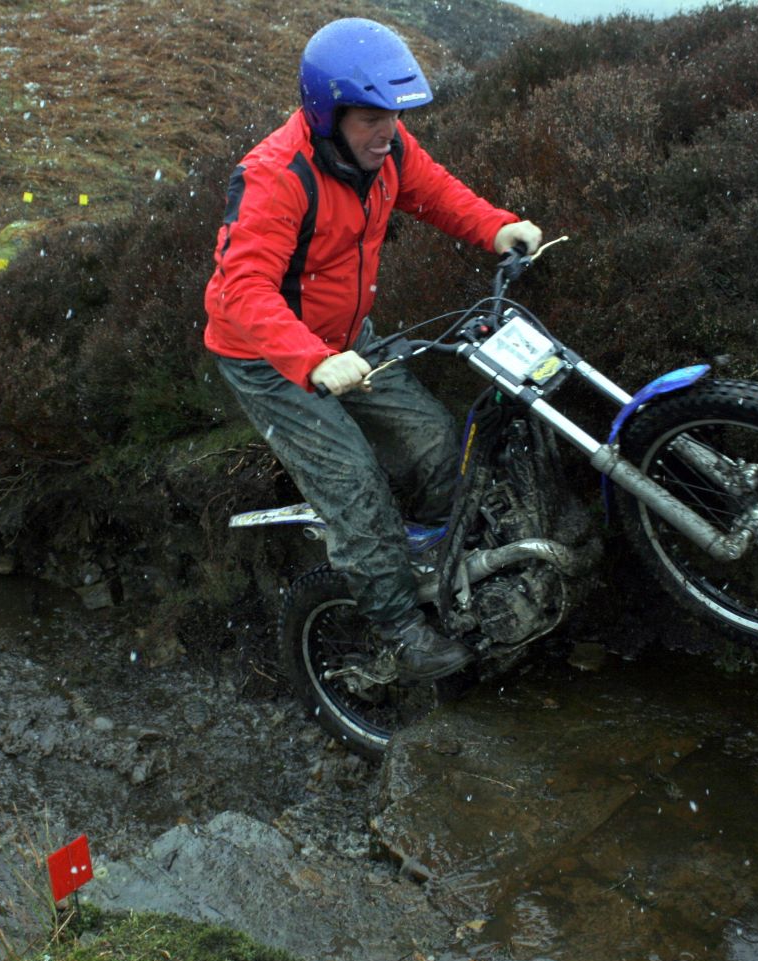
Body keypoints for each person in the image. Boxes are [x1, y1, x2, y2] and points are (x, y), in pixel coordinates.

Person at [203, 17, 542, 682]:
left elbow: (434, 191)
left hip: (347, 338)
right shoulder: (276, 176)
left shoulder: (385, 148)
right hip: (269, 359)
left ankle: (432, 565)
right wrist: (311, 360)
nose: (388, 132)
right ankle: (400, 630)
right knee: (355, 485)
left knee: (438, 442)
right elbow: (241, 289)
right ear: (327, 116)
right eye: (370, 119)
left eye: (393, 116)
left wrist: (497, 228)